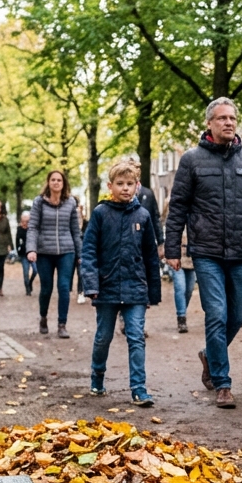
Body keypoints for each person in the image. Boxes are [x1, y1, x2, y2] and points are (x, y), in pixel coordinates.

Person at [164, 98, 242, 409]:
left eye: (233, 118)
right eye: (222, 118)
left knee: (237, 316)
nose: (229, 123)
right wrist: (173, 248)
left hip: (240, 252)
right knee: (216, 314)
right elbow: (177, 208)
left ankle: (209, 355)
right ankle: (223, 383)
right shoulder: (192, 160)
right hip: (206, 251)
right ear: (209, 124)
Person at [80, 161, 161, 406]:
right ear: (110, 186)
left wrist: (152, 293)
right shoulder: (100, 213)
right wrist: (91, 286)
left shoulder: (143, 216)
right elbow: (89, 251)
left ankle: (138, 388)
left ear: (137, 186)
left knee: (136, 337)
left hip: (136, 288)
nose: (125, 189)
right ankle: (98, 376)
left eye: (130, 184)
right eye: (120, 184)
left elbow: (151, 257)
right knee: (103, 336)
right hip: (106, 286)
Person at [27, 170, 82, 338]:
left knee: (64, 287)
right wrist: (31, 249)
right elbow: (33, 227)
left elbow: (75, 230)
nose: (56, 182)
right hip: (44, 251)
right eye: (53, 180)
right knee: (46, 288)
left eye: (59, 180)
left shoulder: (71, 202)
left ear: (63, 183)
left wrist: (80, 254)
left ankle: (62, 324)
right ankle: (43, 317)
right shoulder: (39, 202)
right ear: (48, 182)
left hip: (66, 251)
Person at [16, 211, 35, 296]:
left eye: (27, 221)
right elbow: (17, 241)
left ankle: (30, 282)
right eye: (23, 221)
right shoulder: (19, 229)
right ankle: (27, 289)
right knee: (26, 272)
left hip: (32, 253)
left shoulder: (32, 229)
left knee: (35, 270)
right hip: (23, 254)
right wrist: (19, 251)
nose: (25, 223)